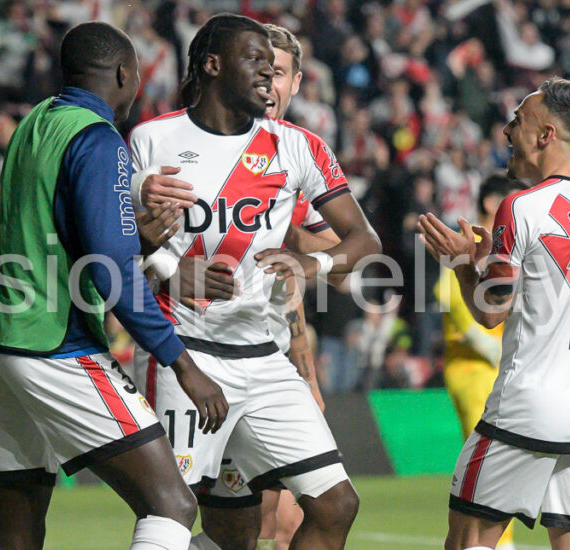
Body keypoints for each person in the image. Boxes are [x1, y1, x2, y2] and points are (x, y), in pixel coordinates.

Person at [127, 14, 380, 550]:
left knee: (336, 504)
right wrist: (171, 271)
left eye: (274, 64)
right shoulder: (153, 138)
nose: (269, 73)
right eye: (255, 60)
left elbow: (364, 240)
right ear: (213, 65)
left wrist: (316, 264)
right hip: (184, 353)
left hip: (263, 358)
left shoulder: (299, 147)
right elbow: (114, 253)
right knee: (173, 511)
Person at [0, 22, 228, 550]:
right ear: (122, 73)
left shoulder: (35, 123)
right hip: (55, 344)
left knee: (15, 530)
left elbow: (62, 238)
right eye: (136, 75)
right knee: (173, 505)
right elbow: (109, 271)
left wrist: (138, 244)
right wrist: (184, 364)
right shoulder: (97, 136)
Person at [419, 78, 570, 550]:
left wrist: (460, 263)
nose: (507, 131)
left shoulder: (522, 206)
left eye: (519, 120)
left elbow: (491, 312)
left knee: (468, 542)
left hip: (530, 406)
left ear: (546, 135)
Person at [434, 173, 527, 550]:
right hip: (474, 366)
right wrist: (484, 343)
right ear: (493, 203)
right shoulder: (471, 241)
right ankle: (496, 544)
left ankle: (488, 540)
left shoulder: (511, 244)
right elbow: (445, 291)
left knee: (501, 459)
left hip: (497, 366)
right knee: (491, 460)